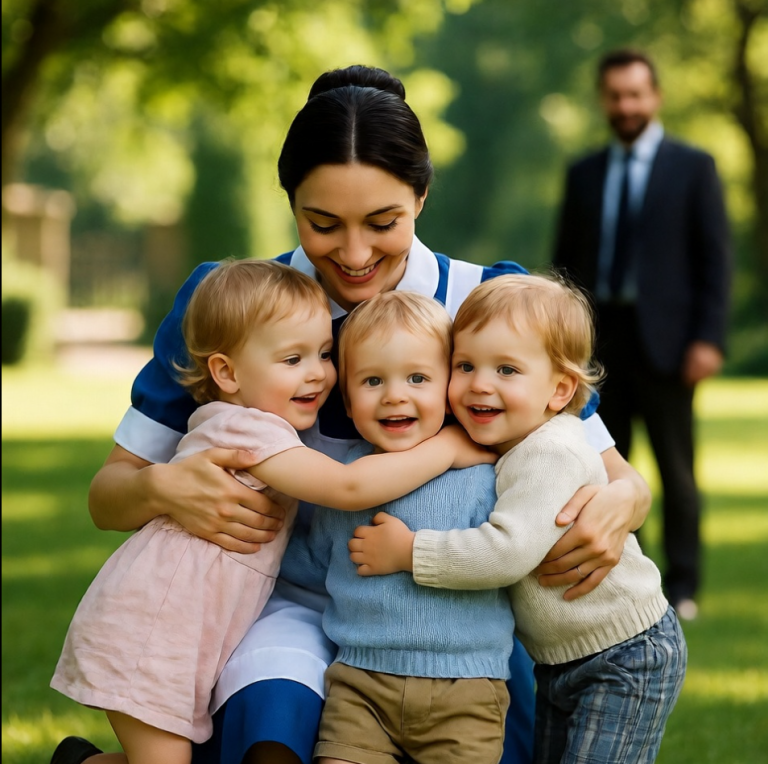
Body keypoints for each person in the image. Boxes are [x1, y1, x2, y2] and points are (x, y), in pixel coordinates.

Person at [69, 65, 651, 764]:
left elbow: (619, 478)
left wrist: (625, 503)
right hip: (285, 604)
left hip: (460, 617)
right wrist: (163, 488)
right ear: (291, 205)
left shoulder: (490, 304)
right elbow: (109, 495)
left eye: (383, 223)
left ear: (422, 196)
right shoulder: (235, 307)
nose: (352, 254)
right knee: (270, 734)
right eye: (322, 224)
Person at [50, 261, 493, 764]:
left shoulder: (262, 426)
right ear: (227, 373)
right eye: (292, 359)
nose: (317, 374)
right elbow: (347, 486)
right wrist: (448, 448)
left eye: (324, 354)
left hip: (189, 632)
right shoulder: (246, 431)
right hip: (154, 633)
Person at [350, 274, 688, 764]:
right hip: (562, 657)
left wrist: (410, 552)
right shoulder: (511, 445)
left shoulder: (550, 452)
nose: (480, 384)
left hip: (624, 653)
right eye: (465, 365)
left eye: (506, 370)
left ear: (559, 390)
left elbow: (505, 553)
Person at [281, 290, 515, 764]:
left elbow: (501, 560)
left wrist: (410, 553)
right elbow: (308, 561)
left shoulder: (478, 477)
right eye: (372, 380)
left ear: (448, 388)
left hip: (465, 687)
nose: (395, 395)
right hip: (361, 685)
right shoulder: (340, 478)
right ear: (346, 402)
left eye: (417, 378)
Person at [552, 49, 732, 621]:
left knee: (676, 468)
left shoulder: (693, 167)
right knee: (605, 463)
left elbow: (716, 260)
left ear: (653, 97)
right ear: (604, 100)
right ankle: (632, 574)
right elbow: (565, 267)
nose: (626, 106)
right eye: (616, 96)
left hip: (670, 343)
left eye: (635, 94)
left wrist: (708, 338)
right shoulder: (583, 174)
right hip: (600, 343)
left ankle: (683, 587)